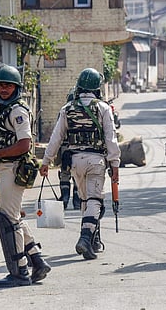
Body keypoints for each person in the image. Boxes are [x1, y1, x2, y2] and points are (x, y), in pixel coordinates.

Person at [0, 64, 51, 287]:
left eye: (8, 85)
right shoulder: (5, 110)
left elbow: (24, 144)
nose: (4, 89)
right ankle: (37, 261)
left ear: (16, 88)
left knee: (8, 220)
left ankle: (20, 272)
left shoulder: (18, 111)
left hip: (14, 168)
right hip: (5, 167)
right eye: (0, 85)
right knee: (13, 217)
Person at [40, 67, 121, 260]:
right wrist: (115, 164)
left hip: (75, 161)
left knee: (85, 200)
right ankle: (85, 238)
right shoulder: (102, 108)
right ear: (97, 88)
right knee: (95, 201)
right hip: (96, 161)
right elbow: (111, 138)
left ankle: (92, 242)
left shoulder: (67, 109)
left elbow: (56, 138)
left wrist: (45, 161)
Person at [58, 88, 81, 210]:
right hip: (78, 150)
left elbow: (58, 134)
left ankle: (65, 198)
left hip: (65, 149)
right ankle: (77, 201)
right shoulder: (82, 113)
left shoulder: (64, 111)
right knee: (77, 175)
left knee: (65, 174)